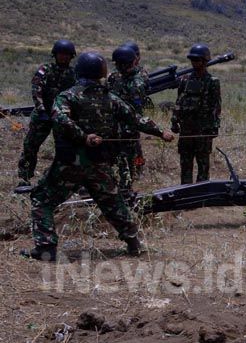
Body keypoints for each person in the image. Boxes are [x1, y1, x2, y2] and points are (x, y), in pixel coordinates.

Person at [20, 52, 174, 261]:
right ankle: (133, 243)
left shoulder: (68, 96)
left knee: (41, 200)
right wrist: (160, 132)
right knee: (113, 203)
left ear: (79, 71)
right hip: (99, 162)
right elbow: (135, 118)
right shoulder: (110, 98)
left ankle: (46, 248)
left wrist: (83, 137)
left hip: (70, 163)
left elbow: (60, 119)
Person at [17, 40, 77, 186]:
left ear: (71, 57)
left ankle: (63, 179)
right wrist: (42, 110)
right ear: (55, 55)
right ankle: (24, 178)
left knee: (65, 148)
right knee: (31, 146)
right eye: (60, 54)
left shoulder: (74, 74)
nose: (63, 57)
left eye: (67, 55)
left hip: (62, 117)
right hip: (42, 116)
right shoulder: (45, 69)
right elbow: (36, 90)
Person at [171, 44, 221, 184]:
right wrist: (174, 121)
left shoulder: (212, 82)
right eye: (192, 60)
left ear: (205, 61)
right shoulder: (184, 80)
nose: (194, 63)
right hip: (186, 130)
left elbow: (216, 106)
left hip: (203, 130)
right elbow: (179, 102)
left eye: (197, 60)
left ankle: (201, 195)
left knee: (203, 164)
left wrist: (214, 127)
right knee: (185, 164)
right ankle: (185, 192)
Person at [107, 46, 149, 203]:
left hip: (128, 130)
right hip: (113, 128)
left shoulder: (136, 83)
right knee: (113, 159)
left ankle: (126, 192)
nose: (121, 67)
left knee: (130, 159)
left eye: (124, 64)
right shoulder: (114, 79)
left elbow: (135, 113)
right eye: (119, 64)